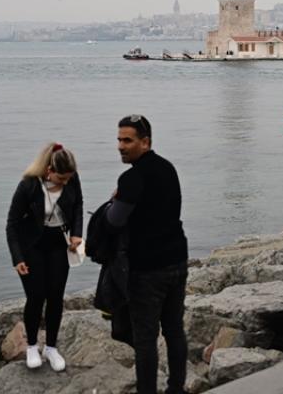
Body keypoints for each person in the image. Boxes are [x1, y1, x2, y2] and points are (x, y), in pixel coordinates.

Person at [106, 115, 189, 394]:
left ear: (145, 142)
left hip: (147, 268)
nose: (121, 146)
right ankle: (176, 388)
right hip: (177, 259)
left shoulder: (131, 179)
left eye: (127, 140)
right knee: (174, 330)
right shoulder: (168, 168)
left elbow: (114, 221)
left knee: (145, 339)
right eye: (119, 140)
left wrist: (114, 201)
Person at [6, 142, 84, 371]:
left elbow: (78, 205)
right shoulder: (28, 185)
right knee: (36, 296)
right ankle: (31, 345)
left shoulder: (72, 178)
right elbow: (12, 224)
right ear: (49, 170)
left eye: (69, 178)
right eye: (61, 178)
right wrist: (17, 257)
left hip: (59, 244)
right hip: (32, 246)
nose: (66, 182)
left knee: (56, 296)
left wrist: (77, 234)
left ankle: (51, 347)